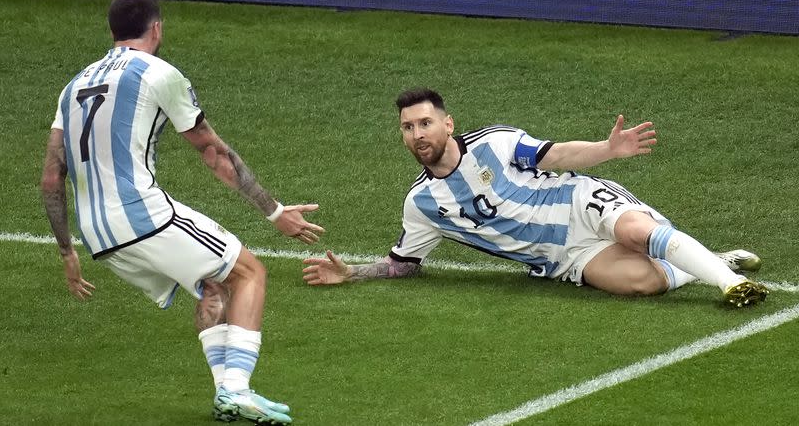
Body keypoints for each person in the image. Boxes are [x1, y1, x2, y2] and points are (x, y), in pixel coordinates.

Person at [40, 0, 313, 425]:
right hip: (142, 215)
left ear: (111, 32)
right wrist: (274, 211)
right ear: (157, 28)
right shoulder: (159, 73)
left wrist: (66, 252)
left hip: (97, 235)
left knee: (212, 286)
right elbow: (215, 154)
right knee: (249, 272)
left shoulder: (72, 87)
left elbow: (52, 178)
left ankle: (227, 396)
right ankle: (238, 390)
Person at [302, 87, 768, 308]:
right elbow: (404, 264)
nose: (417, 133)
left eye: (425, 123)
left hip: (577, 203)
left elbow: (555, 153)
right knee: (644, 283)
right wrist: (353, 273)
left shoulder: (493, 142)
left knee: (636, 231)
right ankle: (715, 259)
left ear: (447, 124)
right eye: (408, 127)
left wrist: (608, 150)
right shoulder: (422, 204)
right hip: (564, 258)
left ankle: (730, 285)